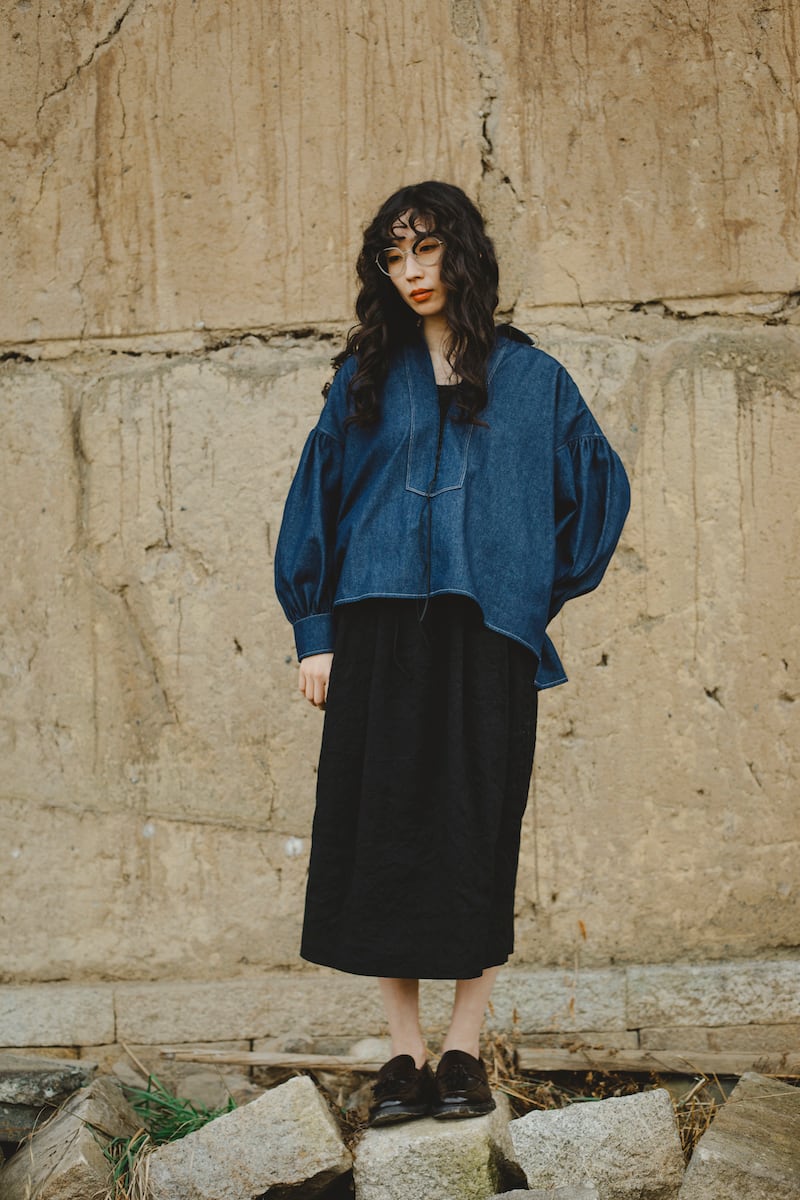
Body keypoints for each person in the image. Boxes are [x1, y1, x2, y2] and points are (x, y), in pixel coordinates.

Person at [274, 181, 630, 1126]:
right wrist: (315, 633)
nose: (411, 271)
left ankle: (465, 1051)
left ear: (462, 252)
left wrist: (527, 590)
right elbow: (316, 499)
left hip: (487, 638)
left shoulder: (534, 379)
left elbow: (598, 491)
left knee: (477, 831)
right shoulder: (363, 377)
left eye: (426, 248)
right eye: (393, 256)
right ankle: (404, 1056)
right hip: (375, 629)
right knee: (383, 830)